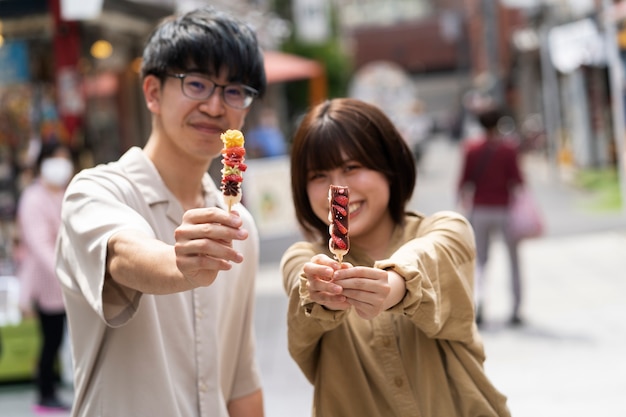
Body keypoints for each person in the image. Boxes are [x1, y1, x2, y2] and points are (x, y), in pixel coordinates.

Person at [55, 7, 266, 417]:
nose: (215, 106)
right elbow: (122, 256)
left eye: (234, 91)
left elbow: (241, 380)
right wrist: (178, 263)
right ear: (152, 92)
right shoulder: (97, 192)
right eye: (198, 84)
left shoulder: (242, 228)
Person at [281, 98, 510, 417]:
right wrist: (319, 293)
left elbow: (433, 257)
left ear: (388, 166)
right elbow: (299, 283)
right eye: (318, 175)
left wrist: (396, 284)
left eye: (352, 167)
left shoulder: (446, 229)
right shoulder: (304, 259)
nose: (338, 189)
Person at [17, 140, 74, 413]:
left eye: (65, 158)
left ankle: (52, 388)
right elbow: (39, 244)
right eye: (56, 158)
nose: (61, 164)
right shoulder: (33, 198)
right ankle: (45, 392)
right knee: (50, 339)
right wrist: (63, 271)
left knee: (60, 337)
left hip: (68, 281)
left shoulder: (67, 194)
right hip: (47, 282)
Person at [457, 106, 525, 326]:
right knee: (513, 260)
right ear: (499, 123)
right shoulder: (508, 149)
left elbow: (463, 182)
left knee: (480, 262)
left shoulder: (471, 149)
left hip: (480, 210)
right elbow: (518, 181)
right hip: (504, 209)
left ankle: (480, 305)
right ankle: (515, 309)